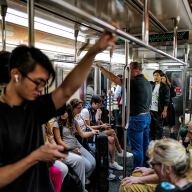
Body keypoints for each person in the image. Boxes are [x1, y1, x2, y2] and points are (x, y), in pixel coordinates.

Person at [0, 31, 116, 191]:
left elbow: (66, 90)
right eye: (37, 82)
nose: (40, 90)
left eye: (44, 84)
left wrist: (93, 52)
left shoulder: (33, 107)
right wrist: (35, 157)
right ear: (16, 75)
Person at [97, 62, 152, 169]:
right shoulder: (147, 82)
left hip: (136, 118)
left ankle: (137, 172)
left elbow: (115, 79)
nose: (129, 73)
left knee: (137, 148)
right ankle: (146, 168)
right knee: (145, 145)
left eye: (130, 70)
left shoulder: (134, 81)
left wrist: (101, 68)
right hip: (146, 116)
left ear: (135, 70)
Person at [53, 105, 98, 190]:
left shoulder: (73, 121)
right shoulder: (57, 123)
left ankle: (82, 182)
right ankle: (80, 186)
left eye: (65, 112)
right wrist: (70, 148)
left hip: (77, 145)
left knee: (93, 163)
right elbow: (59, 141)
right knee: (88, 166)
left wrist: (92, 132)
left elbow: (82, 134)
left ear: (69, 112)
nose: (63, 113)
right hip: (67, 147)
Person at [150, 70, 170, 140]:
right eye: (154, 75)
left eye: (158, 75)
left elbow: (166, 100)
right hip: (150, 109)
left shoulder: (165, 87)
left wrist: (165, 111)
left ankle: (158, 142)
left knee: (158, 127)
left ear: (161, 77)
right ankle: (151, 142)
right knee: (151, 127)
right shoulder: (151, 85)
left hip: (159, 110)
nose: (156, 77)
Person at [161, 74, 176, 139]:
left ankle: (171, 133)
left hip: (169, 105)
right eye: (161, 79)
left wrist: (168, 95)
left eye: (163, 79)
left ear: (166, 79)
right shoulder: (159, 86)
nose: (162, 80)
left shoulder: (170, 86)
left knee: (171, 119)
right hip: (161, 106)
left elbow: (174, 94)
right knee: (162, 120)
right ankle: (162, 135)